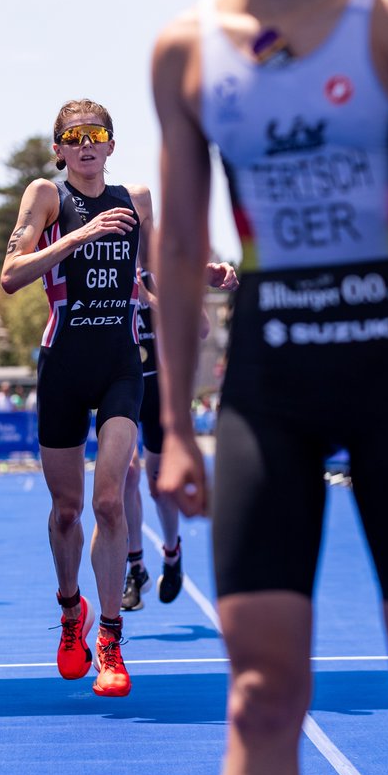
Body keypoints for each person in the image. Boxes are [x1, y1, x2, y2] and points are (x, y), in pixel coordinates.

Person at [151, 0, 388, 775]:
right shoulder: (186, 47)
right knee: (260, 696)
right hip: (271, 389)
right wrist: (175, 427)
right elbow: (177, 253)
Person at [0, 98, 152, 697]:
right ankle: (72, 614)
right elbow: (11, 275)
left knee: (110, 501)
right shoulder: (46, 195)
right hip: (63, 364)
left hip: (119, 364)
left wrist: (199, 286)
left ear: (112, 145)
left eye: (97, 134)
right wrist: (78, 234)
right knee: (67, 511)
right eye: (74, 136)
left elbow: (143, 280)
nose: (86, 144)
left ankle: (111, 642)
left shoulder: (135, 201)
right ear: (60, 148)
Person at [122, 260, 238, 612]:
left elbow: (202, 327)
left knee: (159, 486)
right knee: (125, 475)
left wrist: (148, 297)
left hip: (161, 387)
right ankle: (135, 567)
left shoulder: (160, 270)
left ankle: (172, 554)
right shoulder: (111, 263)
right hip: (122, 383)